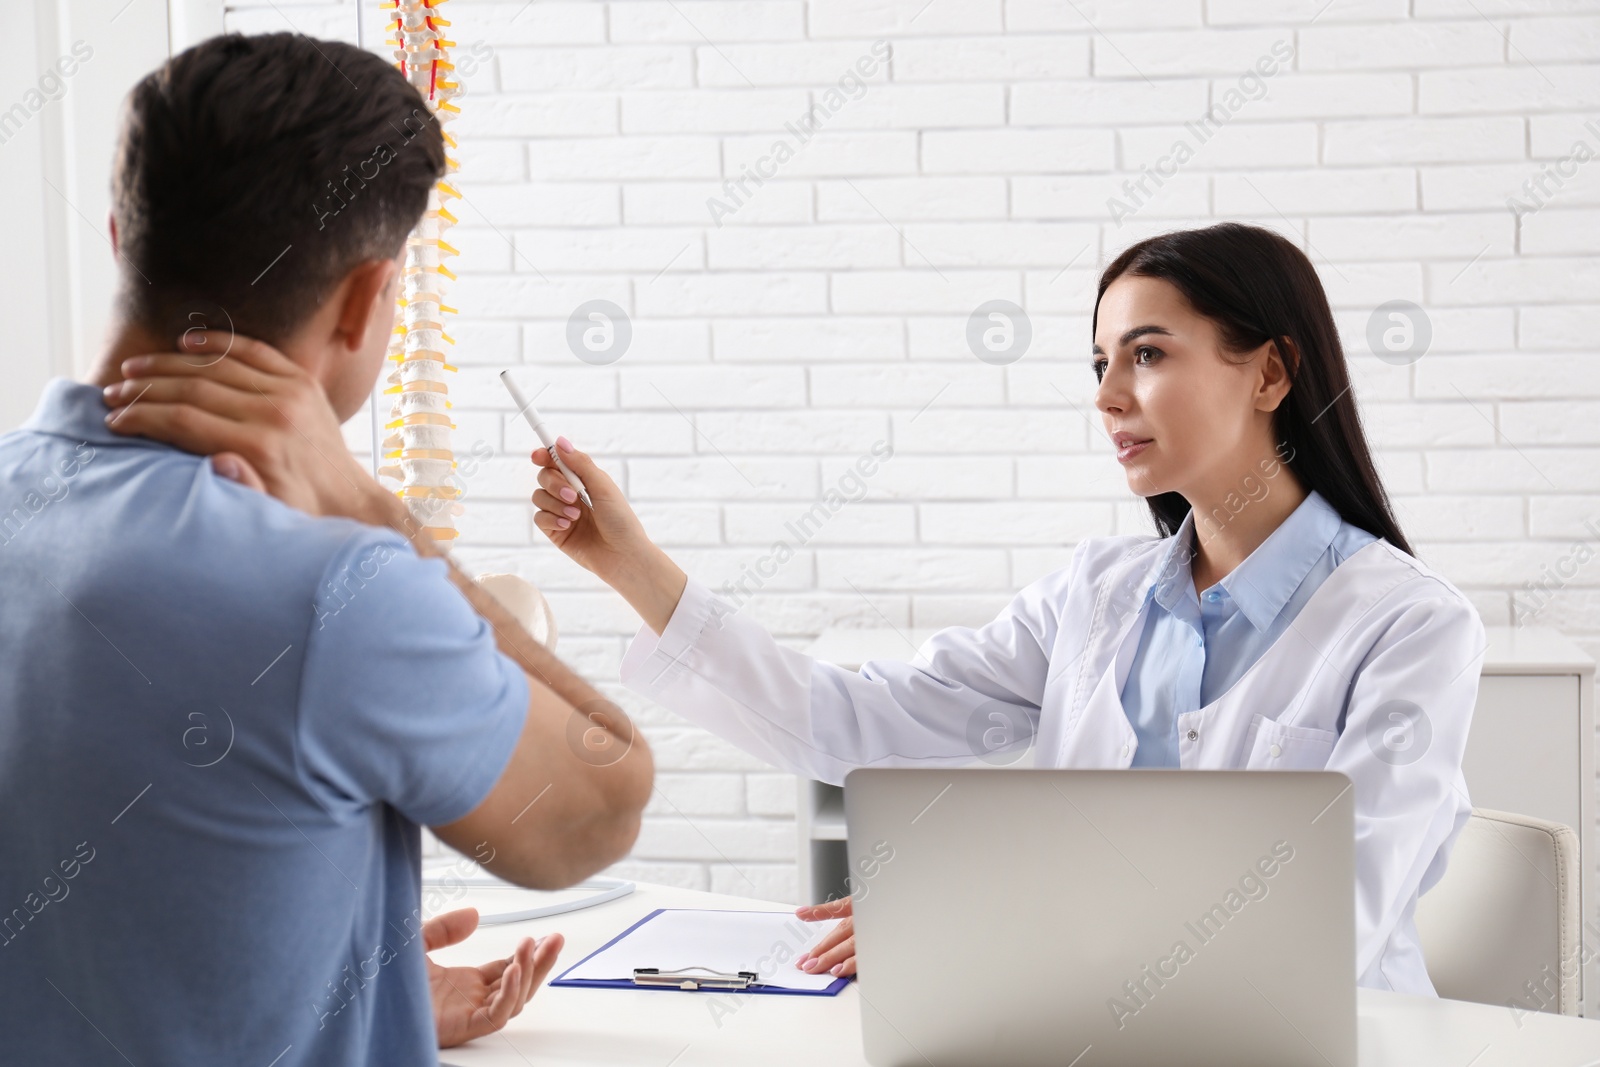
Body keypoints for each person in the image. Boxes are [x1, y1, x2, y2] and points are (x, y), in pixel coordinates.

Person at [511, 223, 1486, 993]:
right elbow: (856, 725)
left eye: (1145, 354)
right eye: (1097, 362)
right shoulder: (1095, 595)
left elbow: (1329, 916)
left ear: (1271, 371)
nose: (1106, 396)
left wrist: (986, 912)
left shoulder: (1409, 627)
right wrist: (632, 565)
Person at [0, 33, 652, 1064]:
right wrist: (369, 509)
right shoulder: (336, 585)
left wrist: (345, 985)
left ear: (123, 237)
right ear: (363, 299)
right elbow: (601, 805)